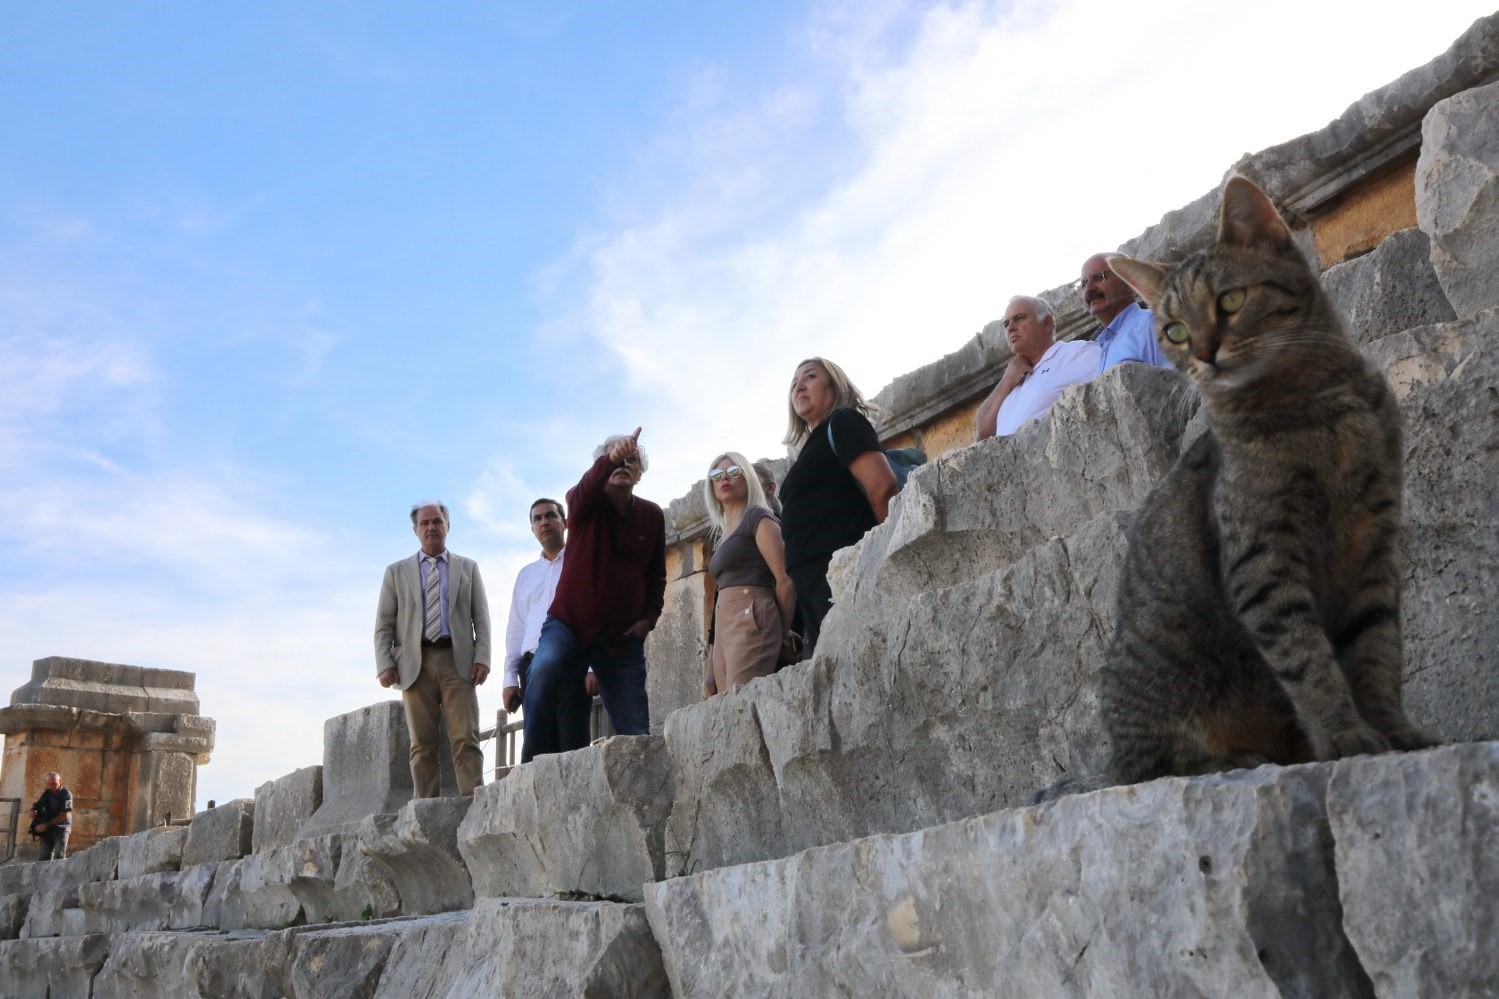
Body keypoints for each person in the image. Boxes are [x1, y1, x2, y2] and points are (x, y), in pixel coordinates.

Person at [521, 428, 666, 762]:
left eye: (631, 461)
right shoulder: (585, 506)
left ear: (640, 474)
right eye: (615, 459)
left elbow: (656, 575)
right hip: (569, 624)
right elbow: (576, 495)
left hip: (621, 636)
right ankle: (529, 768)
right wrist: (611, 458)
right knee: (544, 669)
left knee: (636, 730)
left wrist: (647, 620)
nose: (622, 464)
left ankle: (640, 784)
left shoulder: (651, 516)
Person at [779, 358, 898, 654]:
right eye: (794, 384)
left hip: (838, 571)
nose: (799, 387)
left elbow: (882, 487)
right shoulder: (810, 446)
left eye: (809, 377)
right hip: (810, 580)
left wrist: (890, 553)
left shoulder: (844, 422)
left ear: (835, 384)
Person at [374, 502, 491, 797]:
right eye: (424, 523)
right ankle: (426, 808)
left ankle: (474, 804)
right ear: (415, 530)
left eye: (437, 521)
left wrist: (483, 657)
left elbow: (481, 619)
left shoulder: (468, 568)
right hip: (415, 663)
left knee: (466, 738)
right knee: (422, 744)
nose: (431, 527)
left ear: (448, 525)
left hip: (458, 660)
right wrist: (385, 663)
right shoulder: (396, 572)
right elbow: (384, 623)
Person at [501, 498, 596, 752]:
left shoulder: (581, 563)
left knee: (573, 748)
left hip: (572, 665)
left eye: (550, 516)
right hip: (531, 667)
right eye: (537, 518)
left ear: (565, 522)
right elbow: (516, 628)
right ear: (532, 528)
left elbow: (595, 615)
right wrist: (509, 678)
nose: (544, 522)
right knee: (536, 748)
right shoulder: (526, 575)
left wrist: (593, 666)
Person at [702, 452, 797, 697]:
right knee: (726, 707)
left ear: (748, 479)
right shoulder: (723, 534)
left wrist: (782, 631)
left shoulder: (758, 517)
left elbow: (785, 580)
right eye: (716, 475)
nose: (724, 478)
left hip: (751, 615)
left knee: (741, 702)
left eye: (734, 472)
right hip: (725, 623)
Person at [975, 295, 1102, 439]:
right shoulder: (1012, 381)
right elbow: (983, 434)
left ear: (1047, 323)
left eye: (1020, 318)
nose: (1010, 328)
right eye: (1006, 324)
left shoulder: (1077, 353)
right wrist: (1006, 381)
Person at [1079, 252, 1174, 373]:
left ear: (1129, 283)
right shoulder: (1100, 348)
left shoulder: (1151, 324)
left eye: (1099, 277)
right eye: (1084, 283)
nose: (1089, 289)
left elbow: (1180, 380)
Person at [29, 771, 72, 861]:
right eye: (48, 784)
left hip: (61, 829)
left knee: (59, 857)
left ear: (60, 781)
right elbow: (36, 806)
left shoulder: (66, 794)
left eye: (54, 784)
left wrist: (46, 825)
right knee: (43, 858)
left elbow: (64, 815)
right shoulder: (46, 793)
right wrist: (32, 811)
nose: (51, 786)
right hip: (47, 831)